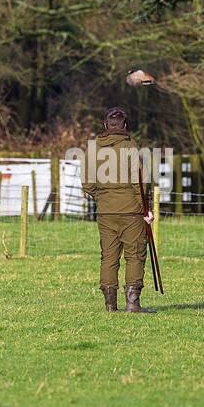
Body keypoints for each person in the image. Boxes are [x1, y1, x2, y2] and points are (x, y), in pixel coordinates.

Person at [82, 107, 155, 313]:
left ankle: (110, 305)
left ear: (105, 125)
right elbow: (139, 183)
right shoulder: (130, 146)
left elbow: (87, 184)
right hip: (131, 211)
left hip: (105, 212)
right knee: (135, 255)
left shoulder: (93, 148)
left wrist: (104, 198)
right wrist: (145, 209)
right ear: (125, 125)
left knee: (108, 257)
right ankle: (132, 304)